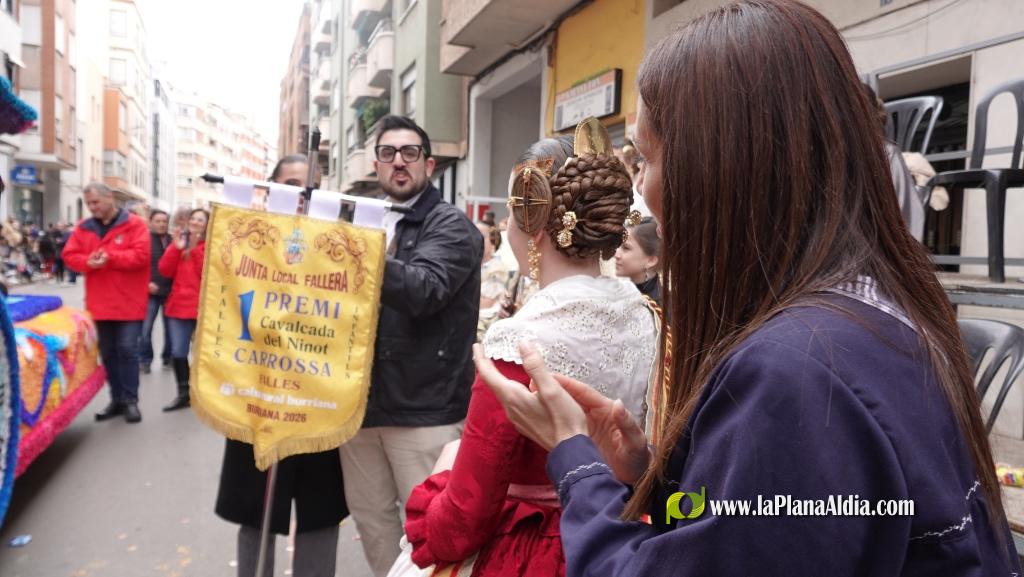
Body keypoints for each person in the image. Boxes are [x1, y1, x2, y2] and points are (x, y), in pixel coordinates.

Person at [474, 1, 1022, 576]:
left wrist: (575, 459)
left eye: (647, 161)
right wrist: (651, 473)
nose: (642, 197)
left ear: (715, 171)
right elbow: (768, 525)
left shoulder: (794, 374)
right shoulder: (877, 311)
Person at [402, 126, 658, 576]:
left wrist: (440, 480)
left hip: (534, 547)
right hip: (621, 530)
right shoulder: (645, 315)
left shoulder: (520, 342)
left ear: (533, 222)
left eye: (512, 210)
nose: (506, 226)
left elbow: (464, 520)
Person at [340, 115, 481, 577]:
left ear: (429, 164)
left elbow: (425, 290)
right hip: (361, 406)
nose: (398, 161)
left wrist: (355, 250)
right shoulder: (366, 220)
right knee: (373, 523)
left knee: (430, 530)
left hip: (424, 407)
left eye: (410, 153)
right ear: (377, 165)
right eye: (388, 153)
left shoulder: (452, 226)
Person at [215, 156, 347, 577]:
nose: (302, 196)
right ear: (272, 189)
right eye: (292, 184)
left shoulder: (343, 246)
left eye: (312, 187)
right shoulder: (246, 241)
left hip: (319, 399)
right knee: (256, 509)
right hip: (260, 395)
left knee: (320, 510)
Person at [62, 182, 150, 423]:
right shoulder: (84, 227)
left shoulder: (135, 224)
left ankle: (130, 401)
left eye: (96, 202)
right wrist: (88, 262)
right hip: (99, 303)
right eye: (89, 203)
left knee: (127, 350)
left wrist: (109, 257)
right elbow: (69, 256)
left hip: (129, 302)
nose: (92, 207)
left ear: (109, 197)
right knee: (109, 353)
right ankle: (117, 399)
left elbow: (141, 256)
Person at [158, 208, 207, 411]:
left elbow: (206, 274)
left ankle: (203, 394)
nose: (195, 222)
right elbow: (164, 270)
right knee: (178, 352)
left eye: (201, 219)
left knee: (203, 355)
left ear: (207, 225)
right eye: (193, 218)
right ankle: (183, 393)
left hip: (203, 308)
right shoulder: (179, 243)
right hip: (179, 306)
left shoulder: (211, 246)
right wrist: (175, 249)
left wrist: (194, 248)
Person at [139, 210, 173, 375]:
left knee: (171, 330)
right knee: (145, 330)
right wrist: (145, 283)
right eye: (158, 221)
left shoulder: (173, 240)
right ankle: (145, 360)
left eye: (164, 221)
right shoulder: (143, 240)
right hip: (149, 293)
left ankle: (168, 358)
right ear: (150, 222)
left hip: (170, 293)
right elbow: (138, 266)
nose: (161, 224)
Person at [476, 220, 514, 341]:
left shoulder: (497, 268)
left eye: (481, 236)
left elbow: (487, 302)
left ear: (493, 242)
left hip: (485, 327)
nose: (475, 239)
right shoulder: (472, 265)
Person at [614, 218, 661, 306]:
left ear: (651, 261)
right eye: (617, 245)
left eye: (626, 248)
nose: (616, 254)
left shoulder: (657, 307)